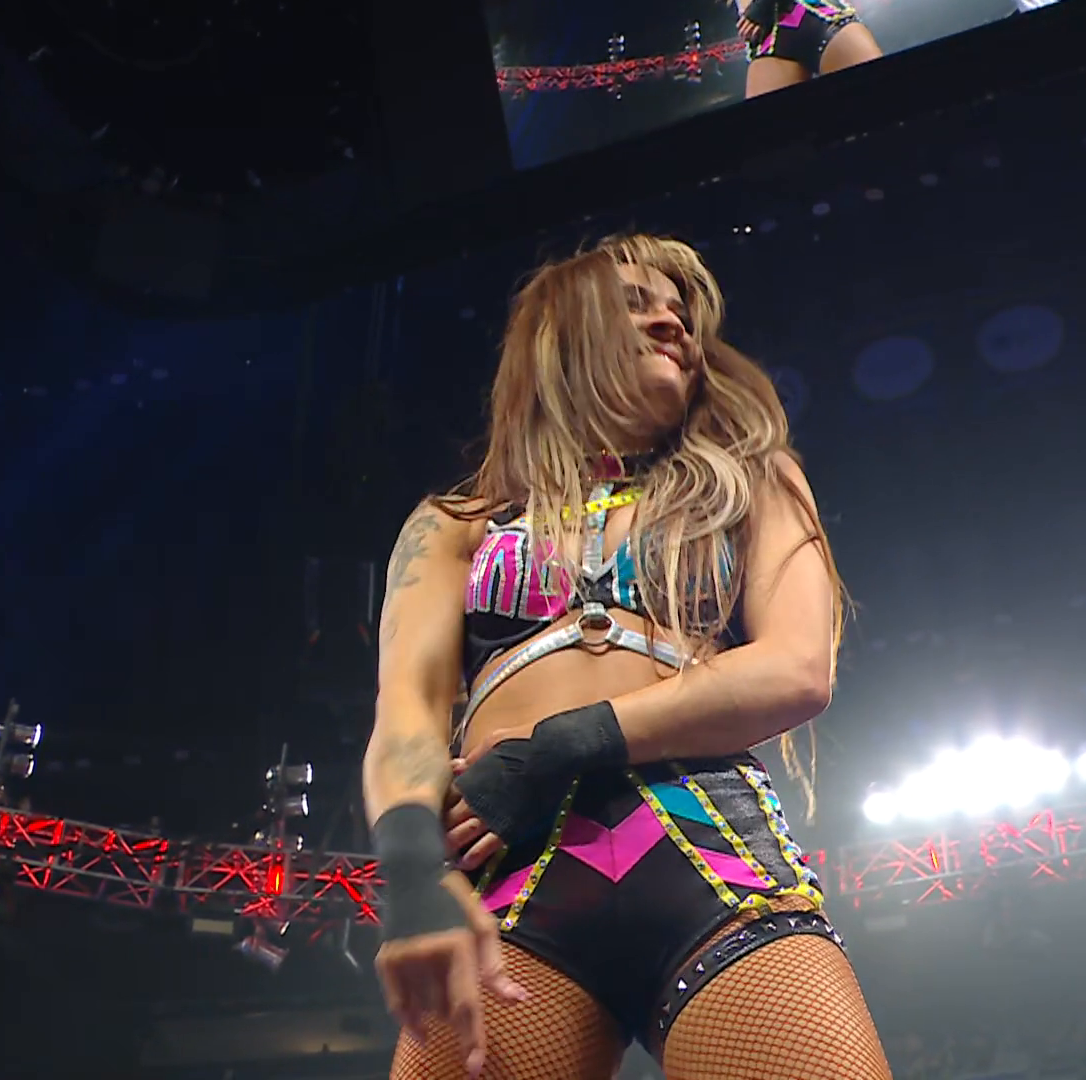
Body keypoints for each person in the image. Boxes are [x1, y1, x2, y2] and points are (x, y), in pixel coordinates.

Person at [362, 234, 891, 1079]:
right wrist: (413, 873)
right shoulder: (456, 524)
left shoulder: (753, 478)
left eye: (680, 311)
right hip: (512, 864)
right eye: (637, 302)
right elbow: (406, 716)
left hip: (707, 838)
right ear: (561, 334)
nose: (672, 321)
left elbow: (796, 668)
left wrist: (562, 743)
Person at [732, 0, 884, 100]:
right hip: (767, 37)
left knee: (880, 99)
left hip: (813, 11)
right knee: (766, 135)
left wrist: (762, 6)